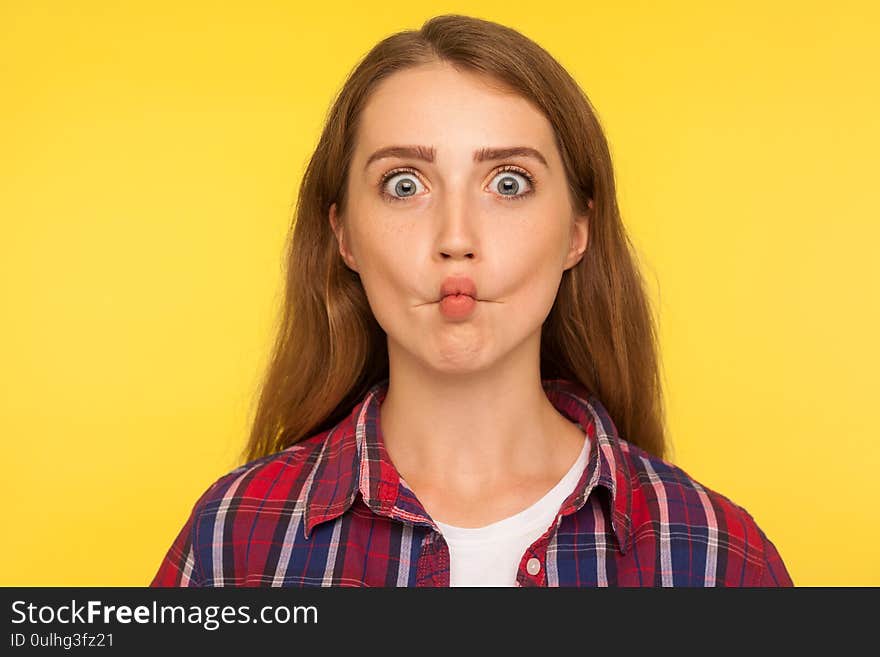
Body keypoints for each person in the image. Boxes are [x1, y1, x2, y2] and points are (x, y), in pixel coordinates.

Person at [151, 14, 793, 587]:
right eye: (404, 184)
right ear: (344, 234)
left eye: (508, 182)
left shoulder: (719, 557)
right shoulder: (230, 545)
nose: (456, 239)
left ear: (577, 231)